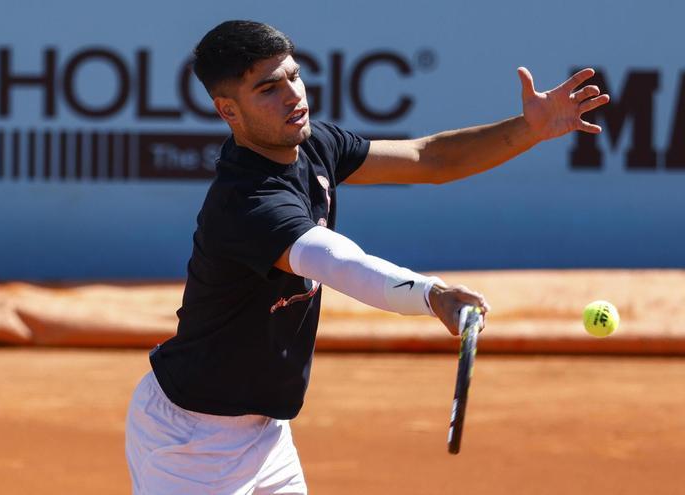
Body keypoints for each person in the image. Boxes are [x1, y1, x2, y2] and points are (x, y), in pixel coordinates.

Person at [125, 19, 609, 495]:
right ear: (229, 110)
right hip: (190, 443)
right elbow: (338, 264)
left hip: (266, 431)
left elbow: (429, 158)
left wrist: (529, 128)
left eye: (293, 75)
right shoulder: (248, 202)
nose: (293, 94)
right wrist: (432, 295)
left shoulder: (314, 146)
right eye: (268, 89)